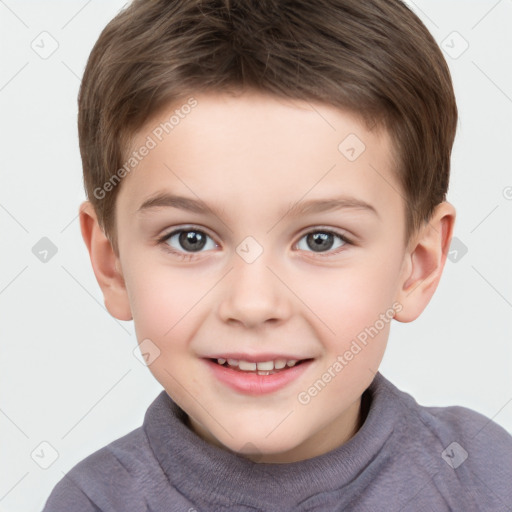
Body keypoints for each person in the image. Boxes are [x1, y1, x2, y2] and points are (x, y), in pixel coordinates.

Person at [42, 0, 512, 510]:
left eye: (321, 240)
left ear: (416, 266)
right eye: (190, 238)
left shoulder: (483, 474)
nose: (252, 303)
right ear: (111, 264)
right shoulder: (92, 502)